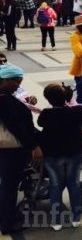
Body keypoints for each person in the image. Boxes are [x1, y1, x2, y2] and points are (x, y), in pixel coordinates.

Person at [38, 83, 82, 231]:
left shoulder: (46, 114)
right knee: (74, 183)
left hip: (53, 154)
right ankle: (76, 218)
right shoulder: (77, 111)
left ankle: (56, 220)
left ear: (47, 99)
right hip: (75, 152)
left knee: (55, 185)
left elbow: (40, 124)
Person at [0, 65, 43, 235]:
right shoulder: (4, 100)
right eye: (17, 82)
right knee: (9, 186)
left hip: (7, 149)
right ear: (6, 80)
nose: (19, 85)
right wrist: (34, 146)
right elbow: (17, 127)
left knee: (7, 184)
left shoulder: (6, 96)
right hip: (11, 149)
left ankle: (5, 216)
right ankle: (7, 223)